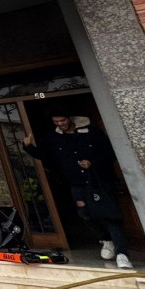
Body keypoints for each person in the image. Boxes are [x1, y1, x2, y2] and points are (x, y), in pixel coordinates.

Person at [23, 115, 132, 269]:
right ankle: (106, 239)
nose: (61, 124)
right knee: (84, 214)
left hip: (98, 181)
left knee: (110, 216)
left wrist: (92, 163)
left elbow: (110, 153)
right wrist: (28, 147)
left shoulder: (91, 132)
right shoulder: (53, 137)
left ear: (70, 119)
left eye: (63, 121)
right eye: (56, 122)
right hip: (77, 183)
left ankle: (122, 253)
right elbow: (43, 154)